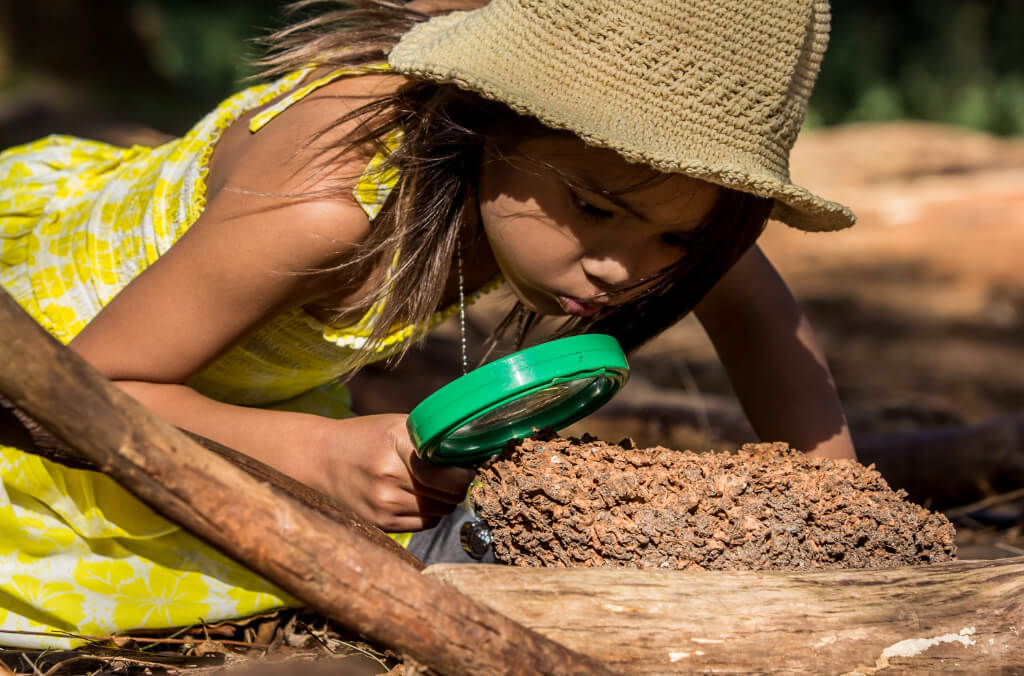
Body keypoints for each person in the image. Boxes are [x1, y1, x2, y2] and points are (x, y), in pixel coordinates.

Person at [0, 0, 856, 648]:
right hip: (66, 371)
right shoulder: (321, 210)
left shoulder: (624, 185)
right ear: (488, 114)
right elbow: (75, 396)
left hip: (207, 380)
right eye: (593, 209)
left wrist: (844, 516)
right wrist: (316, 457)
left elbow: (756, 309)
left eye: (678, 237)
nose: (624, 268)